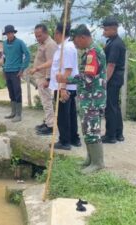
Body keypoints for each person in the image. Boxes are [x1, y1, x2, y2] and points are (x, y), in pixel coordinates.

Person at [57, 24, 106, 173]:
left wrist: (66, 78)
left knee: (92, 130)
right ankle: (90, 159)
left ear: (83, 37)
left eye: (76, 40)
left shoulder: (93, 53)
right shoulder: (90, 52)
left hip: (92, 98)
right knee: (87, 129)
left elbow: (88, 78)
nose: (75, 43)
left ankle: (97, 163)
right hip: (89, 97)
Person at [50, 22, 81, 150]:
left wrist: (62, 88)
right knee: (71, 114)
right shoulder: (66, 47)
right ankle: (74, 138)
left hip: (64, 87)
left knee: (63, 115)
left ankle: (65, 141)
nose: (54, 37)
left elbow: (67, 70)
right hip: (67, 86)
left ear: (58, 33)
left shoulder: (67, 48)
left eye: (55, 34)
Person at [29, 24, 58, 134]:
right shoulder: (42, 44)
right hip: (40, 77)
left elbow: (51, 63)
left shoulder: (50, 45)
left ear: (46, 33)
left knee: (47, 102)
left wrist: (48, 79)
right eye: (36, 36)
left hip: (45, 78)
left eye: (40, 36)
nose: (37, 38)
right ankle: (47, 121)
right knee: (44, 101)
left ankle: (50, 126)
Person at [102, 17, 126, 143]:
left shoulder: (116, 44)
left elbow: (111, 65)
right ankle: (118, 134)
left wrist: (104, 81)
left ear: (113, 29)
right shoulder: (113, 41)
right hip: (116, 78)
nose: (104, 32)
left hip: (113, 79)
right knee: (114, 106)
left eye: (106, 30)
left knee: (110, 107)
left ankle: (110, 136)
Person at [2, 25, 30, 122]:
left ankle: (19, 114)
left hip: (16, 72)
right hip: (7, 70)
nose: (9, 35)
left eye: (11, 33)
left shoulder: (20, 42)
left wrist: (22, 69)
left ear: (14, 33)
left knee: (17, 92)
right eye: (7, 33)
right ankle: (13, 112)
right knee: (11, 92)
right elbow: (4, 57)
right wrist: (3, 69)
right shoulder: (4, 43)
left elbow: (28, 55)